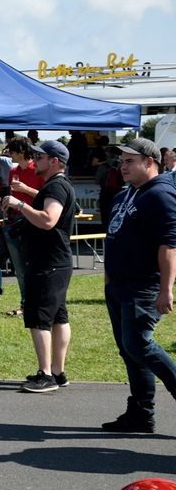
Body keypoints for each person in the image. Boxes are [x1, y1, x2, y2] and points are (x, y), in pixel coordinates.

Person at [101, 138, 176, 433]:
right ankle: (141, 413)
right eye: (121, 161)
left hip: (143, 286)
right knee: (128, 349)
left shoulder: (161, 194)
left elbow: (169, 244)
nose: (123, 166)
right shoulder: (126, 194)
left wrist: (166, 289)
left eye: (130, 161)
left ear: (149, 162)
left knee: (138, 344)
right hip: (118, 285)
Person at [2, 140, 75, 393]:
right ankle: (58, 371)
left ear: (54, 161)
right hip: (56, 261)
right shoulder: (58, 185)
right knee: (58, 317)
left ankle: (46, 375)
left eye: (40, 156)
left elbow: (48, 221)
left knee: (40, 319)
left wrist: (20, 205)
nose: (35, 160)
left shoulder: (55, 186)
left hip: (48, 262)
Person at [3, 136, 44, 316]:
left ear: (20, 152)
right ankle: (25, 304)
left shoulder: (39, 170)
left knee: (34, 265)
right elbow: (15, 195)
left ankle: (38, 303)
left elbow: (47, 196)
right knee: (19, 268)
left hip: (34, 223)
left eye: (11, 151)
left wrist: (26, 189)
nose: (8, 154)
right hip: (15, 221)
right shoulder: (13, 171)